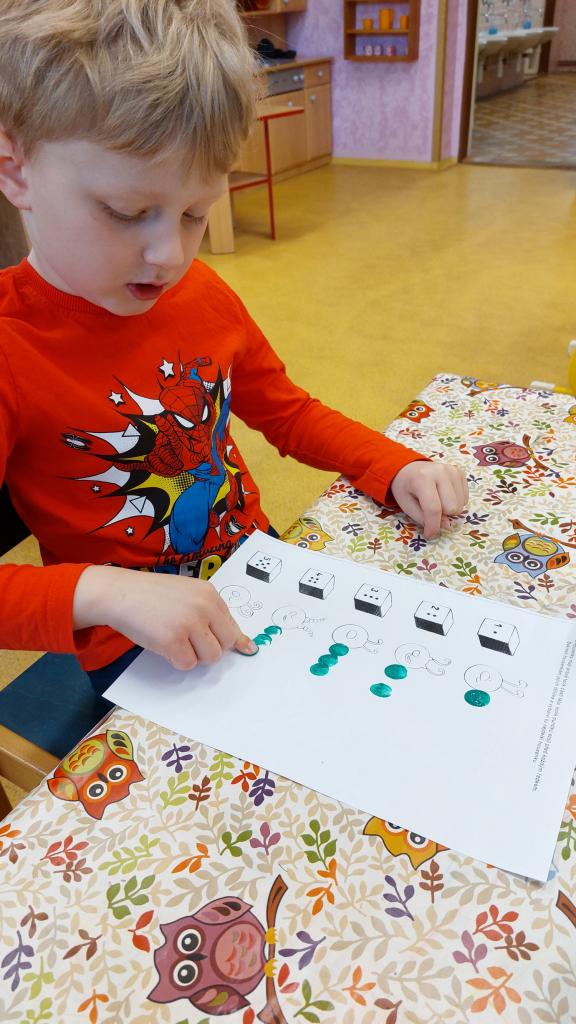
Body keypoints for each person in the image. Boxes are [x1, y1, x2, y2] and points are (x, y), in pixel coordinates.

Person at [0, 0, 468, 690]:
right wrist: (100, 593)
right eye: (128, 212)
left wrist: (392, 463)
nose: (169, 254)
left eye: (196, 213)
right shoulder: (12, 348)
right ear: (15, 171)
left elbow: (287, 412)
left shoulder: (200, 292)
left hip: (258, 573)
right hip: (135, 641)